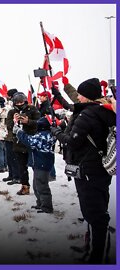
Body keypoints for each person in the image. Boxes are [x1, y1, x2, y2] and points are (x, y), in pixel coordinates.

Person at [51, 78, 116, 263]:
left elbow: (72, 141)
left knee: (95, 214)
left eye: (80, 94)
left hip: (89, 170)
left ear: (87, 97)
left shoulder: (88, 115)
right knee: (93, 210)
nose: (77, 96)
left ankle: (98, 254)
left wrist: (56, 132)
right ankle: (91, 245)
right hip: (96, 169)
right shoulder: (101, 111)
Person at [16, 117, 55, 213]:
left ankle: (47, 207)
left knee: (42, 186)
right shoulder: (45, 135)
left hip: (42, 164)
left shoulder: (43, 136)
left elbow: (29, 141)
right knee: (36, 185)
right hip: (39, 163)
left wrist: (19, 132)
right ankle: (40, 203)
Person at [7, 92, 40, 195]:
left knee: (36, 165)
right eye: (17, 102)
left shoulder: (32, 109)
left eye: (21, 102)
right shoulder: (11, 112)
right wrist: (15, 121)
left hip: (31, 141)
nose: (20, 104)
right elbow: (9, 127)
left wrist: (28, 121)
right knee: (22, 166)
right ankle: (25, 186)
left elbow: (39, 123)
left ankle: (39, 187)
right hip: (18, 143)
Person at [3, 89, 20, 183]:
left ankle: (17, 176)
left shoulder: (13, 108)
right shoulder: (10, 108)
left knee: (14, 158)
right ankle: (11, 174)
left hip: (14, 136)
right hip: (8, 136)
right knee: (9, 157)